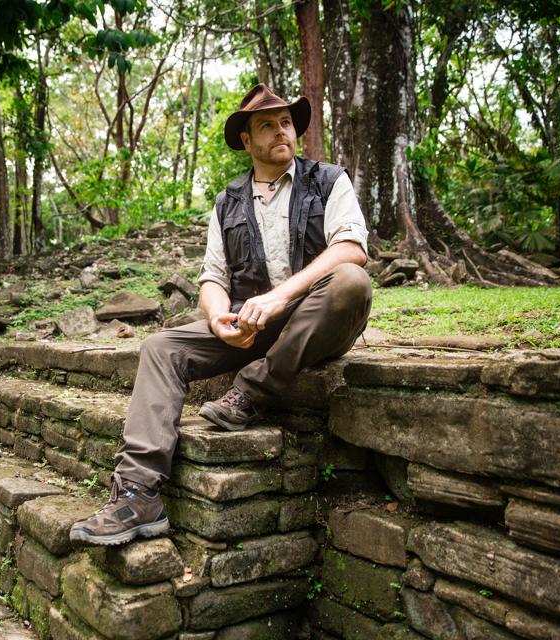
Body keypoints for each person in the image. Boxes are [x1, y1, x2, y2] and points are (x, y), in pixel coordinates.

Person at [69, 83, 372, 546]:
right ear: (247, 142)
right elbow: (213, 277)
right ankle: (137, 493)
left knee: (352, 280)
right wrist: (216, 319)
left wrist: (279, 298)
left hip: (314, 318)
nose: (280, 132)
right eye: (266, 125)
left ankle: (250, 391)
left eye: (286, 122)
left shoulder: (329, 181)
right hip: (252, 328)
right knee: (160, 347)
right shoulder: (228, 201)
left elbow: (351, 248)